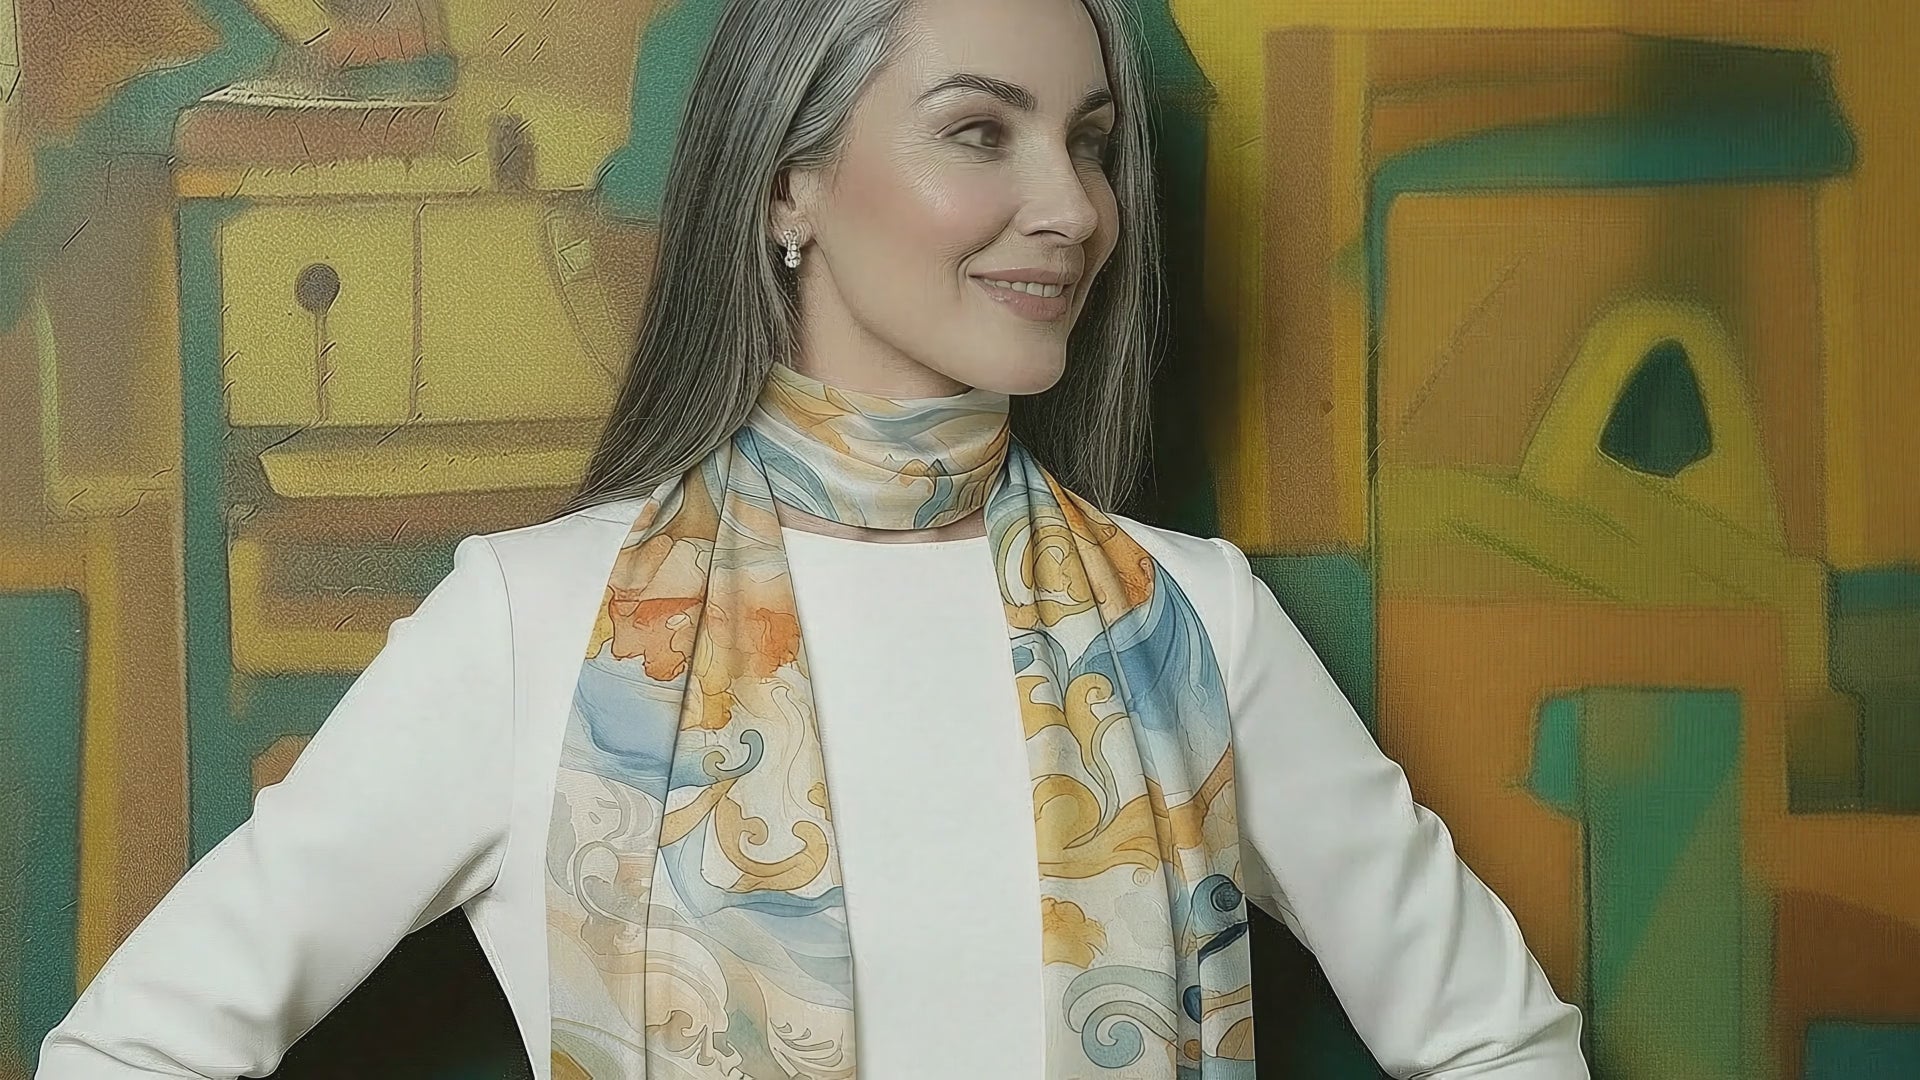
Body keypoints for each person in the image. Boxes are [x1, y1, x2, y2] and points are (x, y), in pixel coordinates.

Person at [36, 0, 1589, 1076]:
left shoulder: (1194, 624)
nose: (1073, 206)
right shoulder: (536, 624)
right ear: (792, 185)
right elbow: (132, 1050)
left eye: (1092, 141)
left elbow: (1500, 1044)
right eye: (980, 132)